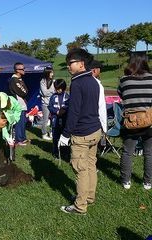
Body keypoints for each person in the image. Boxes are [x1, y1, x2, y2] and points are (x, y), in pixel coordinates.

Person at [59, 48, 102, 215]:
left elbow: (74, 112)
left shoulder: (77, 83)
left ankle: (80, 206)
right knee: (91, 165)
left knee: (81, 170)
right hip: (95, 130)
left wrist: (65, 134)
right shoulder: (93, 80)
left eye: (70, 63)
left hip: (82, 133)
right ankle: (89, 197)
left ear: (81, 64)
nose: (68, 66)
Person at [117, 55, 152, 190]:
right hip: (149, 121)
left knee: (127, 152)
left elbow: (121, 95)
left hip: (131, 122)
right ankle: (148, 182)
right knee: (149, 153)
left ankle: (126, 181)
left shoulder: (124, 80)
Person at [48, 79, 69, 159]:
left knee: (65, 136)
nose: (57, 90)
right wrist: (56, 112)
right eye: (56, 88)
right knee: (55, 137)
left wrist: (64, 111)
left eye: (59, 88)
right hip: (55, 120)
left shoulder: (67, 96)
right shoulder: (53, 96)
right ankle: (55, 152)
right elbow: (50, 106)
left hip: (64, 120)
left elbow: (69, 106)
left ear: (63, 88)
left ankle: (65, 152)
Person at [9, 62, 29, 146]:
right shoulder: (14, 80)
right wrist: (25, 91)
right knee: (19, 122)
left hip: (22, 104)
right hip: (18, 105)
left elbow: (25, 91)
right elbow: (24, 92)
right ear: (17, 70)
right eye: (22, 69)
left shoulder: (19, 80)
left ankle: (23, 138)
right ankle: (18, 139)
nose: (24, 70)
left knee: (23, 122)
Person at [39, 66, 55, 140]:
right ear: (47, 73)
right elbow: (44, 93)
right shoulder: (42, 81)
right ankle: (44, 134)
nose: (52, 73)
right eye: (51, 72)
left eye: (52, 72)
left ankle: (51, 132)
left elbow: (55, 91)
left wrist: (51, 92)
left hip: (53, 103)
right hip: (45, 104)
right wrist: (52, 91)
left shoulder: (54, 81)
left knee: (53, 119)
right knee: (45, 120)